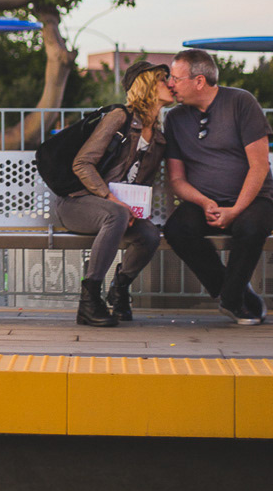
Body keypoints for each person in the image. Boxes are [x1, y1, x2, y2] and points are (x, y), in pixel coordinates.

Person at [52, 61, 174, 327]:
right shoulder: (120, 117)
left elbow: (139, 181)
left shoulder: (159, 136)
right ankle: (89, 300)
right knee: (116, 213)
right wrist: (112, 200)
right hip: (77, 203)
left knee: (149, 235)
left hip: (114, 211)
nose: (171, 83)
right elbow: (82, 163)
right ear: (147, 85)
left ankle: (119, 289)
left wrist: (132, 208)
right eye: (164, 79)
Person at [163, 49, 273, 326]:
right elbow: (176, 180)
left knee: (252, 228)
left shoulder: (241, 102)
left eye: (175, 78)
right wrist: (203, 202)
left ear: (199, 81)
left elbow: (259, 166)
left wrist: (235, 209)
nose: (170, 84)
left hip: (253, 198)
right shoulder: (174, 119)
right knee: (176, 229)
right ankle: (232, 291)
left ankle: (232, 299)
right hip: (205, 202)